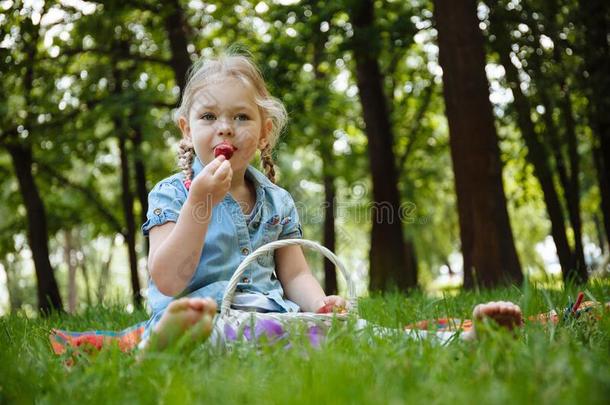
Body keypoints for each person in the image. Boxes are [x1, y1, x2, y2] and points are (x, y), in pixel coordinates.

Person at [137, 52, 528, 351]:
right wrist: (200, 201)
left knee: (346, 329)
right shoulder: (173, 195)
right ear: (187, 130)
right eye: (208, 116)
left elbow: (294, 275)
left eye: (241, 117)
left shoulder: (278, 202)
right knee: (226, 334)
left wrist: (320, 304)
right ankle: (171, 341)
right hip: (200, 316)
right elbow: (168, 279)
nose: (225, 127)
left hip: (268, 318)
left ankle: (460, 342)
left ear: (263, 134)